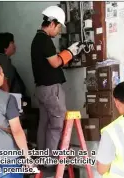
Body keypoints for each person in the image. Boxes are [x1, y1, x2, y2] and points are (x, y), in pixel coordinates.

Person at [30, 6, 84, 163]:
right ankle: (51, 159)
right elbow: (55, 63)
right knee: (56, 124)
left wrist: (67, 52)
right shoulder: (44, 40)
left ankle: (43, 157)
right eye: (59, 27)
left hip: (41, 89)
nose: (59, 31)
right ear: (52, 23)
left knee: (44, 124)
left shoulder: (37, 40)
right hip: (51, 89)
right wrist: (70, 52)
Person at [0, 32, 27, 96]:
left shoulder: (0, 59)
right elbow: (4, 85)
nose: (14, 46)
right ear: (5, 48)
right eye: (12, 43)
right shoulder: (3, 61)